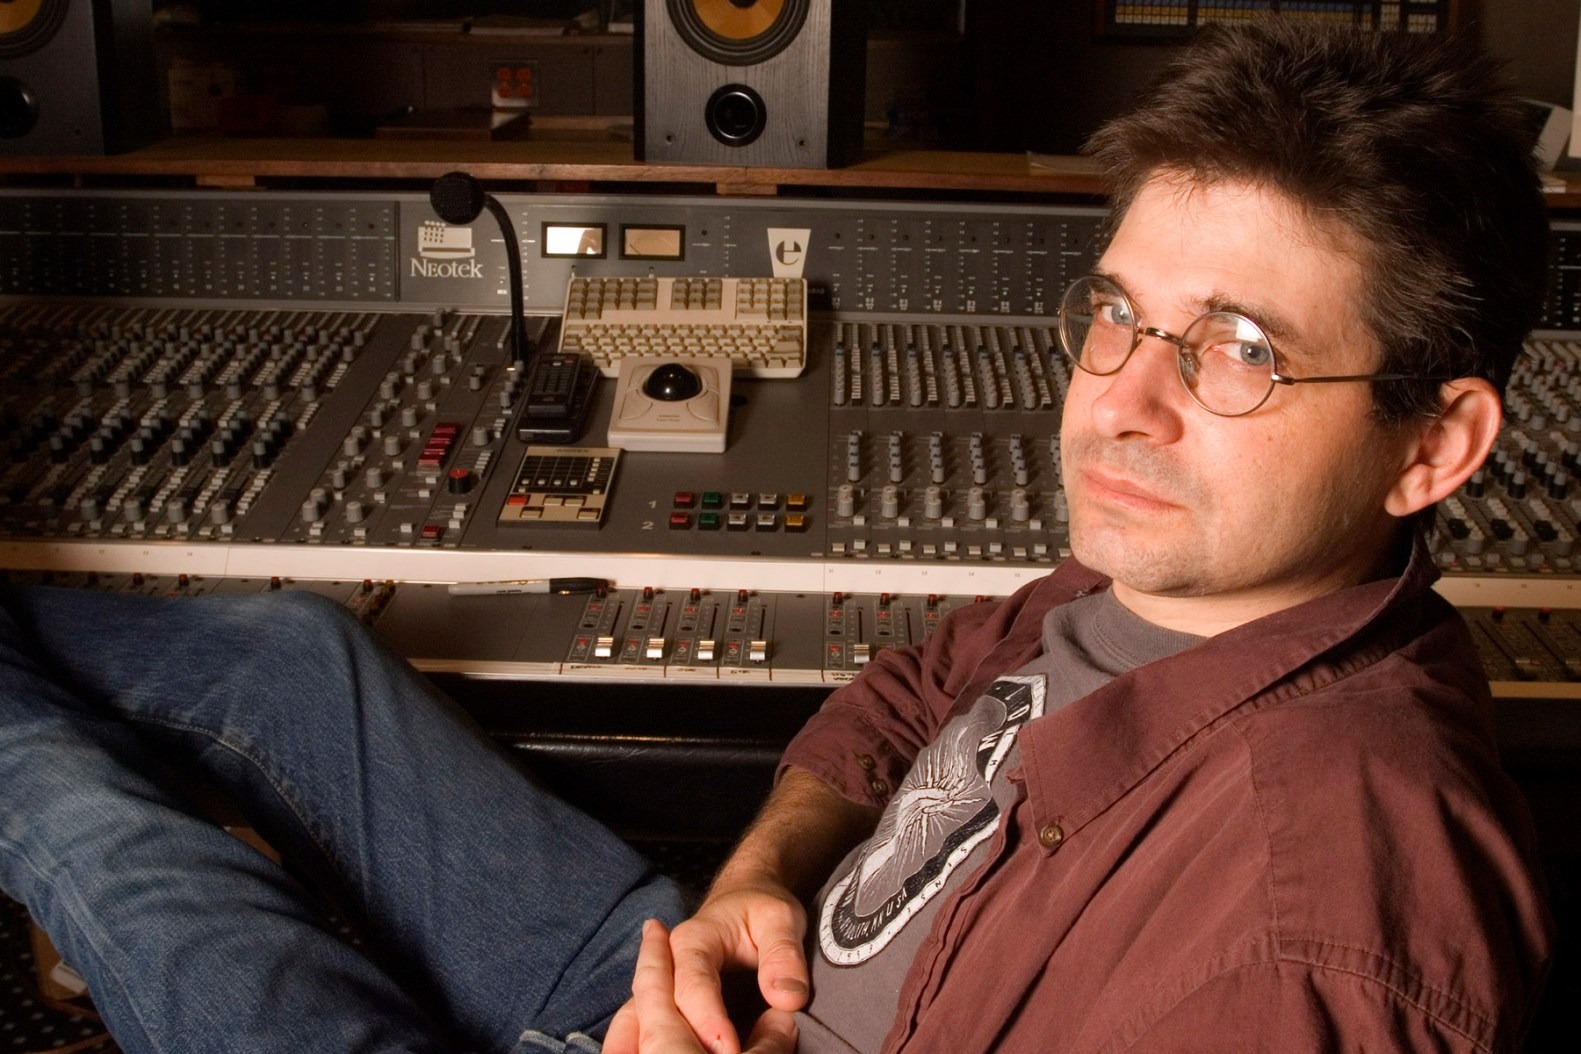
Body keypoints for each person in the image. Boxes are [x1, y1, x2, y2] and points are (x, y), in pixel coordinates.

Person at [0, 17, 1556, 1054]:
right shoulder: (1170, 569)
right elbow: (906, 695)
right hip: (724, 978)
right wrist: (757, 877)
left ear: (1433, 444)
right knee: (292, 648)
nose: (1122, 403)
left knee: (102, 831)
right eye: (1117, 315)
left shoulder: (1309, 929)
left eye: (1236, 347)